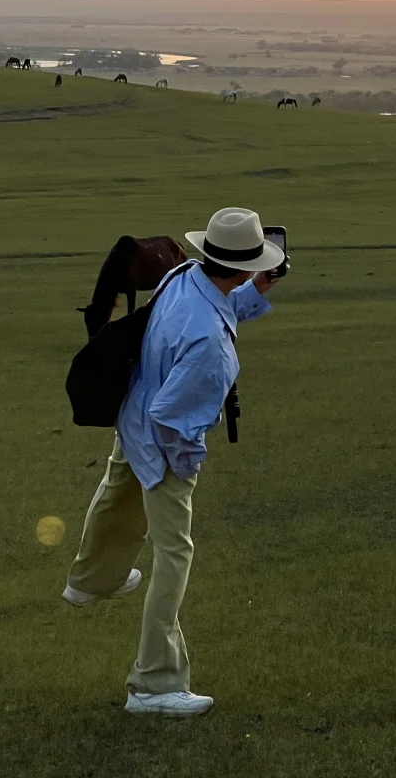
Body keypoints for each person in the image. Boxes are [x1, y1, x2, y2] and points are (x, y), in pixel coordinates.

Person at [62, 207, 285, 717]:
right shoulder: (211, 346)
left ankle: (91, 579)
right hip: (159, 435)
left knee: (116, 489)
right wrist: (186, 466)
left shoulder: (180, 275)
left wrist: (256, 294)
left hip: (131, 411)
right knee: (174, 554)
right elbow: (175, 419)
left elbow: (210, 311)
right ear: (248, 265)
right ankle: (154, 684)